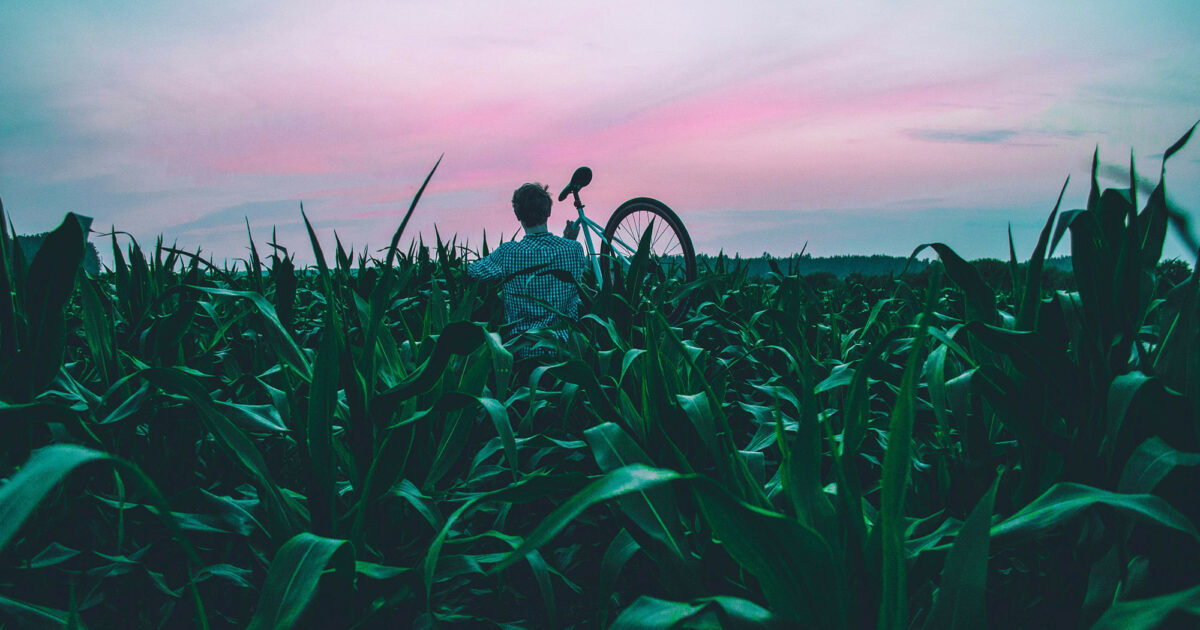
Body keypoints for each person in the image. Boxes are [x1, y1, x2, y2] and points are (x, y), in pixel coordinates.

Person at [467, 182, 587, 358]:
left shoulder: (507, 253)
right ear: (548, 212)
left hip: (521, 353)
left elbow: (473, 272)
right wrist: (566, 240)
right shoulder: (573, 249)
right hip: (564, 353)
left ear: (518, 215)